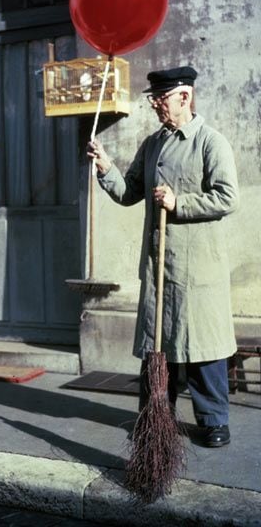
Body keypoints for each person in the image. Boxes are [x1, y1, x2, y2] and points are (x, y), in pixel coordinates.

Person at [87, 66, 239, 448]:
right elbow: (128, 192)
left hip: (199, 267)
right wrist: (106, 168)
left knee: (204, 348)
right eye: (153, 98)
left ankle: (213, 420)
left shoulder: (210, 142)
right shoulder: (152, 144)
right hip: (160, 267)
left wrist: (179, 202)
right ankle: (157, 416)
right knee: (160, 347)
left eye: (161, 97)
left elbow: (228, 196)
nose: (154, 104)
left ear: (184, 97)